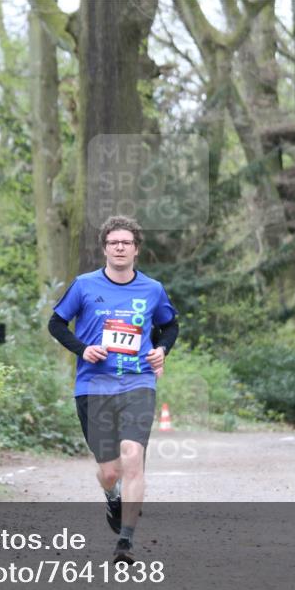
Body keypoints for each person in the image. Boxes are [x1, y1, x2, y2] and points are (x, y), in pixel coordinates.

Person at [48, 216, 179, 563]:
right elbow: (56, 322)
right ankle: (113, 497)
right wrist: (82, 349)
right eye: (113, 242)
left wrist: (161, 350)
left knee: (133, 457)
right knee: (109, 471)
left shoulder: (152, 289)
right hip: (94, 385)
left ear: (136, 249)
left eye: (126, 243)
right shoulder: (84, 285)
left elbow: (170, 326)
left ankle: (126, 542)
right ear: (105, 248)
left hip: (137, 381)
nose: (119, 247)